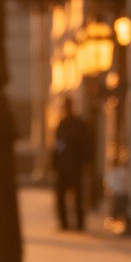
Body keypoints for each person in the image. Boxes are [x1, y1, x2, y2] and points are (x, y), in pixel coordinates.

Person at [49, 95, 96, 232]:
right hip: (64, 167)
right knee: (61, 196)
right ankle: (64, 223)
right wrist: (55, 163)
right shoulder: (62, 124)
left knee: (78, 196)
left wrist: (86, 163)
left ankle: (79, 224)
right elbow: (57, 146)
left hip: (76, 166)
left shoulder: (79, 125)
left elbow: (86, 145)